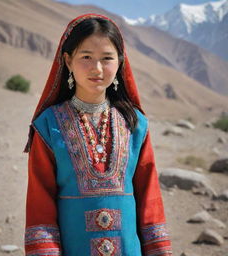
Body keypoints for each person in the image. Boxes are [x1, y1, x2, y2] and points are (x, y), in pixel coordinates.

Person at [24, 13, 172, 256]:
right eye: (86, 57)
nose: (97, 68)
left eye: (107, 58)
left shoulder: (136, 125)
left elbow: (149, 198)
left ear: (120, 62)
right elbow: (40, 205)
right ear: (68, 61)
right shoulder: (48, 125)